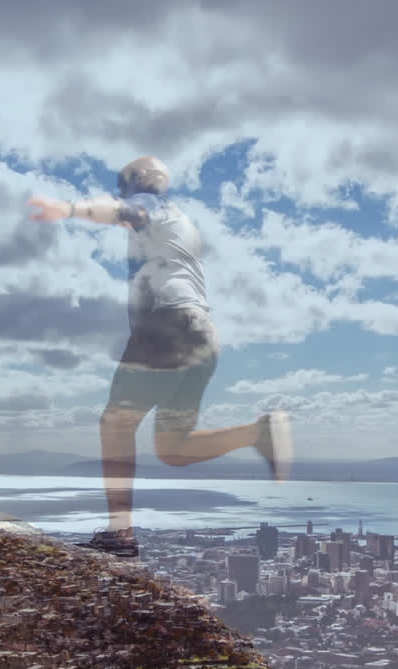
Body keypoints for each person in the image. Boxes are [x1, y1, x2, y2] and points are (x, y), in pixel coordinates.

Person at [27, 156, 292, 558]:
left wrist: (68, 209)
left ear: (135, 186)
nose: (121, 195)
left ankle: (121, 535)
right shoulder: (181, 223)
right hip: (202, 334)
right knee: (173, 448)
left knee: (115, 423)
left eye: (123, 186)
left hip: (166, 327)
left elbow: (127, 211)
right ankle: (258, 432)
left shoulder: (152, 208)